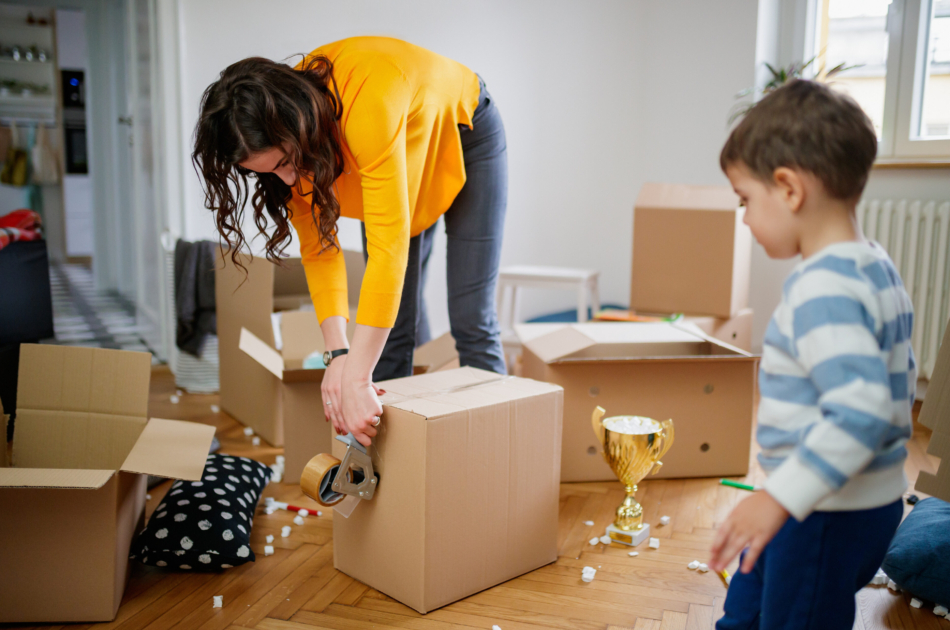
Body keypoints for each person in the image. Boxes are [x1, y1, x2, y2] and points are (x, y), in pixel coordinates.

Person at [193, 37, 508, 447]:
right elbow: (320, 252)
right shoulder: (288, 148)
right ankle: (403, 468)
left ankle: (501, 455)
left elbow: (387, 252)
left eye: (286, 163)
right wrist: (338, 356)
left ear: (298, 125)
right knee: (389, 336)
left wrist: (356, 378)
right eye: (268, 173)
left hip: (467, 131)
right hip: (400, 154)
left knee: (471, 317)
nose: (288, 180)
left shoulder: (366, 104)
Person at [709, 80, 916, 629]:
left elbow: (864, 411)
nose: (746, 219)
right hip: (827, 498)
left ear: (789, 189)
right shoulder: (873, 264)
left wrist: (779, 498)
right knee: (747, 609)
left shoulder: (825, 287)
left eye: (745, 200)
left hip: (825, 509)